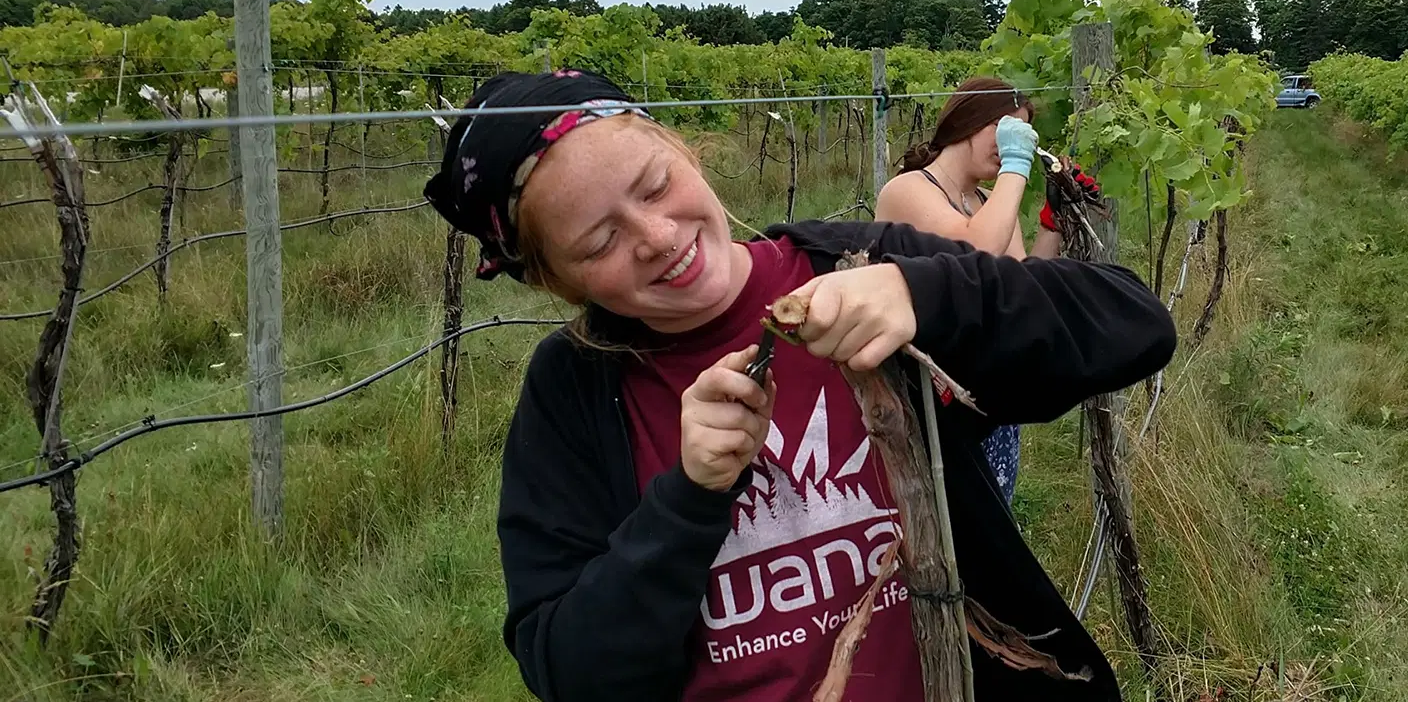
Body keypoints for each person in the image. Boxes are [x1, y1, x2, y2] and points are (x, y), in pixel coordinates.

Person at [423, 69, 1174, 702]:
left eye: (655, 185)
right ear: (556, 279)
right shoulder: (573, 393)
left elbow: (1134, 324)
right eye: (600, 241)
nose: (656, 237)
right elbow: (572, 670)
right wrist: (688, 497)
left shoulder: (857, 266)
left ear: (681, 150)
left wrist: (925, 295)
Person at [874, 77, 1102, 505]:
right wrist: (1017, 164)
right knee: (943, 536)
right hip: (929, 407)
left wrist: (1052, 220)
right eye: (1004, 129)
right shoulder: (907, 191)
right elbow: (974, 247)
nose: (1009, 143)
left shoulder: (986, 202)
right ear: (968, 120)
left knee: (990, 531)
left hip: (986, 401)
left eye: (1019, 134)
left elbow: (1020, 284)